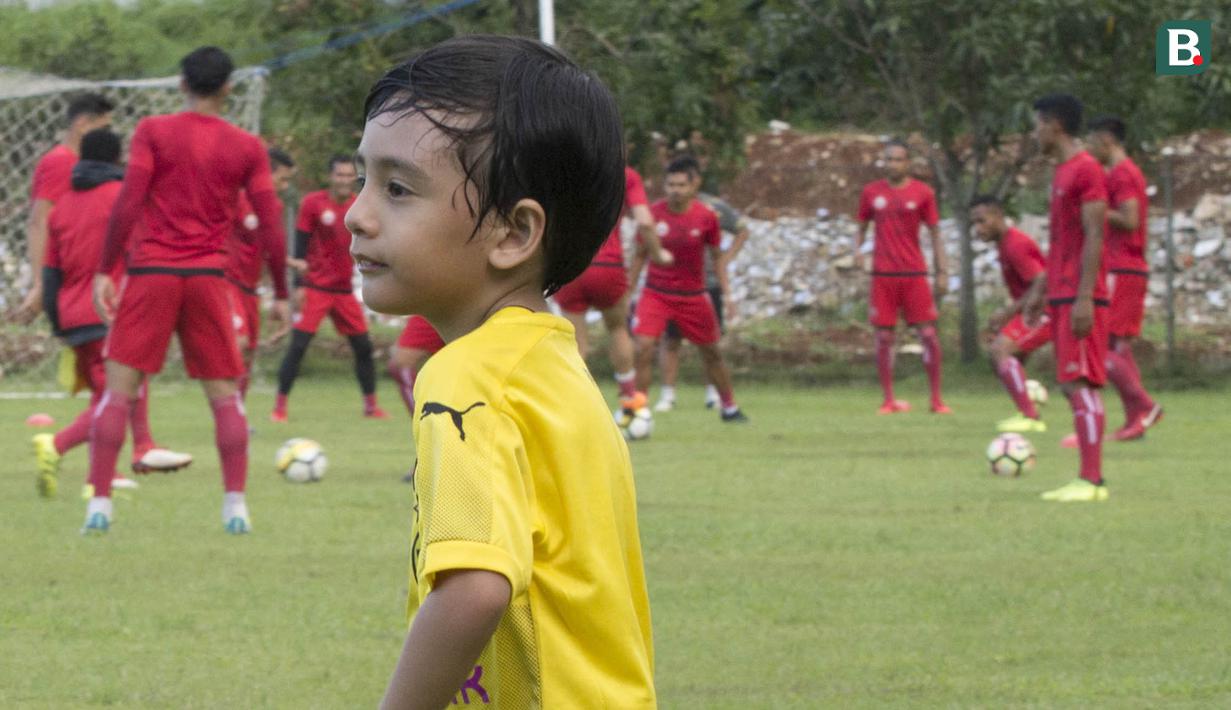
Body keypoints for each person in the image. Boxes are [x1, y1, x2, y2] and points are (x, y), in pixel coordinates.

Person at [350, 36, 654, 708]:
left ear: (513, 233)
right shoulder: (554, 362)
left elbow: (473, 588)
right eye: (360, 179)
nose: (356, 214)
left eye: (397, 189)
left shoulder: (465, 379)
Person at [86, 46, 285, 534]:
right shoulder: (247, 146)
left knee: (118, 394)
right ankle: (235, 508)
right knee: (225, 398)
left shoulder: (153, 131)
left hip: (151, 273)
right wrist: (282, 288)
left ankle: (100, 507)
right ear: (228, 87)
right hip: (209, 278)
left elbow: (129, 200)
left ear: (181, 84)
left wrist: (105, 268)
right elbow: (271, 222)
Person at [34, 128, 192, 499]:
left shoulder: (62, 206)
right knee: (121, 394)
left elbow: (50, 272)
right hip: (110, 309)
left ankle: (101, 477)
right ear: (119, 159)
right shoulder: (121, 197)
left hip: (73, 317)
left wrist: (59, 325)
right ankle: (60, 444)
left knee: (105, 394)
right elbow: (140, 250)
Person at [1024, 93, 1111, 502]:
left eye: (1037, 124)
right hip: (1061, 291)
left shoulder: (1086, 169)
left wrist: (1085, 297)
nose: (1034, 133)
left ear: (1055, 125)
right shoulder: (1061, 172)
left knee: (1080, 383)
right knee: (1068, 383)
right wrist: (1041, 289)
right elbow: (1063, 239)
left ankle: (1091, 481)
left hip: (1079, 292)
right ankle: (1087, 478)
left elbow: (1095, 233)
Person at [630, 155, 747, 423]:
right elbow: (639, 256)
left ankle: (729, 407)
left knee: (712, 351)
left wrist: (728, 295)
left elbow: (717, 260)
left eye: (681, 185)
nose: (675, 190)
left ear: (694, 186)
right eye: (671, 184)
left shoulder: (707, 217)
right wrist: (628, 291)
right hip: (656, 293)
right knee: (643, 347)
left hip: (693, 295)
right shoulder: (653, 215)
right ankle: (637, 408)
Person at [272, 155, 386, 422]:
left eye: (349, 175)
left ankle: (371, 407)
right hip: (315, 287)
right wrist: (298, 285)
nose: (344, 180)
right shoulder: (313, 203)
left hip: (344, 291)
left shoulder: (358, 207)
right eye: (340, 175)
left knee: (363, 347)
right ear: (330, 177)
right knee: (298, 346)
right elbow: (300, 244)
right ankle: (279, 409)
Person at [553, 164, 670, 405]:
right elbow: (645, 222)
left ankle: (576, 404)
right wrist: (658, 254)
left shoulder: (564, 165)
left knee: (575, 343)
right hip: (608, 266)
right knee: (618, 330)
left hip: (571, 266)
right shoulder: (625, 175)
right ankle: (629, 401)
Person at [855, 140, 951, 415]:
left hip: (914, 272)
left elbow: (935, 233)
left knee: (928, 334)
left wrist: (942, 271)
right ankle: (889, 400)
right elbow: (861, 227)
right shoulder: (871, 192)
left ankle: (936, 400)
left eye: (898, 160)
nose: (893, 164)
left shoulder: (923, 193)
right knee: (884, 337)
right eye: (889, 159)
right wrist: (858, 252)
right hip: (882, 274)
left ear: (908, 163)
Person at [1086, 116, 1164, 441]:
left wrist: (1093, 209)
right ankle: (1136, 419)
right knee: (1117, 346)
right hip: (1123, 267)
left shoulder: (1122, 173)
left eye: (1092, 142)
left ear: (1106, 140)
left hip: (1123, 267)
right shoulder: (1121, 172)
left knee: (1102, 345)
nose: (1089, 150)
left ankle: (1145, 406)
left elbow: (1130, 219)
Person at [13, 93, 114, 324]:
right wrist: (40, 284)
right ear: (82, 124)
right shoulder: (61, 163)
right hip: (65, 273)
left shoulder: (86, 165)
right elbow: (39, 221)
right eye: (104, 127)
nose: (108, 134)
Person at [655, 190, 749, 412]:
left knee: (709, 344)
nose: (678, 188)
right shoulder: (664, 208)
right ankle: (668, 395)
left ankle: (713, 393)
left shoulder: (713, 208)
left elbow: (742, 230)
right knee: (671, 340)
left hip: (708, 284)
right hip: (674, 284)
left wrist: (725, 260)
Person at [969, 195, 1050, 433]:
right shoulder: (1006, 244)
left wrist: (1008, 313)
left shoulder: (1015, 245)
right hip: (1034, 308)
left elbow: (1041, 280)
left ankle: (1030, 416)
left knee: (1000, 350)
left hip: (1046, 310)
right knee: (1002, 356)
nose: (978, 229)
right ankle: (1027, 405)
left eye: (982, 221)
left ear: (998, 215)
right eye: (974, 223)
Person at [224, 148, 294, 398]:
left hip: (250, 289)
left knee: (248, 354)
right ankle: (227, 408)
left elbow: (269, 248)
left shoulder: (274, 206)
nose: (285, 186)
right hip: (226, 281)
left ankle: (237, 411)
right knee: (238, 344)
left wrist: (280, 292)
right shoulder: (235, 197)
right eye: (282, 179)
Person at [387, 315, 445, 483]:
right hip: (435, 305)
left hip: (462, 303)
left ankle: (436, 451)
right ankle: (432, 448)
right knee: (401, 364)